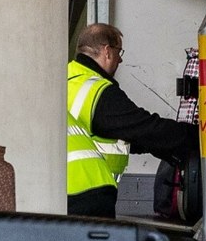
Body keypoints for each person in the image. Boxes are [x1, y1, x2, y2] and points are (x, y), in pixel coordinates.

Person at [67, 23, 197, 219]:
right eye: (119, 52)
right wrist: (199, 137)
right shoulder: (97, 90)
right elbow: (144, 129)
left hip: (64, 190)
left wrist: (166, 151)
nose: (120, 59)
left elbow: (123, 135)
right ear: (107, 51)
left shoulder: (68, 78)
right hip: (86, 193)